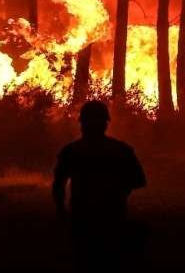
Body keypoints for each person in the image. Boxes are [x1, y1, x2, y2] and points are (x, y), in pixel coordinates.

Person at [52, 100, 146, 271]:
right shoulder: (121, 150)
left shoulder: (71, 151)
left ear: (81, 124)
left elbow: (58, 185)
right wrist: (119, 194)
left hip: (82, 219)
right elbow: (138, 180)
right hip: (112, 218)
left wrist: (61, 210)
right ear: (106, 124)